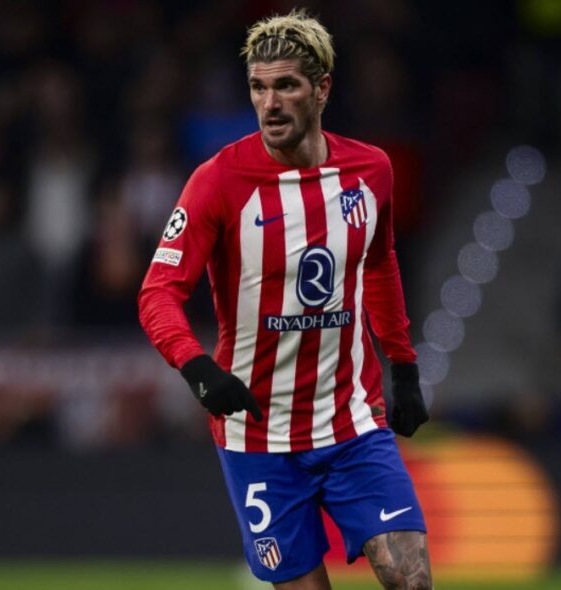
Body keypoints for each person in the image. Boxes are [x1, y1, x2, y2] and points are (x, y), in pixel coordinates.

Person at [138, 10, 432, 590]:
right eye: (258, 87)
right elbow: (158, 292)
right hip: (259, 436)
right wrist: (199, 370)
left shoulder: (371, 171)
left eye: (286, 86)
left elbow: (378, 263)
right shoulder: (217, 181)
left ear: (322, 89)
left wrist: (403, 366)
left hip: (351, 424)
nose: (269, 104)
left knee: (413, 581)